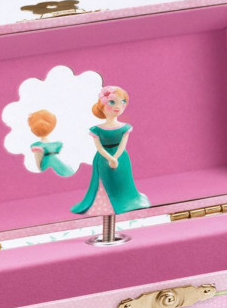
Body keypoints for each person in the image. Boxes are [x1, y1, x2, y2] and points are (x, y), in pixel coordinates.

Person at [71, 86, 149, 215]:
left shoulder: (125, 128)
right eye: (112, 102)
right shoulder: (96, 130)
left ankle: (128, 200)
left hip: (121, 157)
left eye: (122, 102)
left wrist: (116, 158)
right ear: (102, 106)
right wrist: (110, 158)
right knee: (105, 179)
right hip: (103, 158)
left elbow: (122, 145)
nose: (118, 106)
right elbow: (99, 147)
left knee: (123, 180)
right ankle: (103, 204)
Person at [27, 110, 75, 177]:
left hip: (52, 169)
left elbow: (39, 166)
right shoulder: (57, 145)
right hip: (63, 170)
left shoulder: (39, 146)